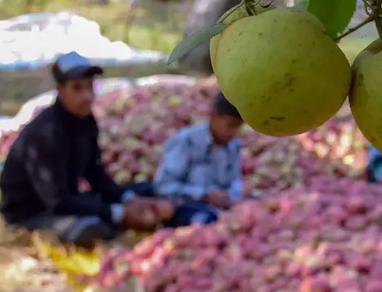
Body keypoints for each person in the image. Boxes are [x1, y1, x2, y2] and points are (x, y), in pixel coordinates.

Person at [0, 52, 174, 247]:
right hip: (34, 213)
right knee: (91, 228)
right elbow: (56, 201)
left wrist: (129, 200)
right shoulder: (46, 134)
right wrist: (117, 212)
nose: (86, 96)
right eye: (77, 89)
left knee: (147, 191)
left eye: (90, 87)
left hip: (68, 200)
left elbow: (95, 173)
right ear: (60, 90)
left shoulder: (86, 121)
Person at [154, 92, 245, 222]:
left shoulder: (233, 146)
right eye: (230, 125)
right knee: (205, 220)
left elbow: (235, 182)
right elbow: (163, 186)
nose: (234, 132)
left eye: (238, 127)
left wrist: (230, 197)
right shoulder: (187, 141)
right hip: (186, 207)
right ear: (213, 116)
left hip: (220, 209)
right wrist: (204, 194)